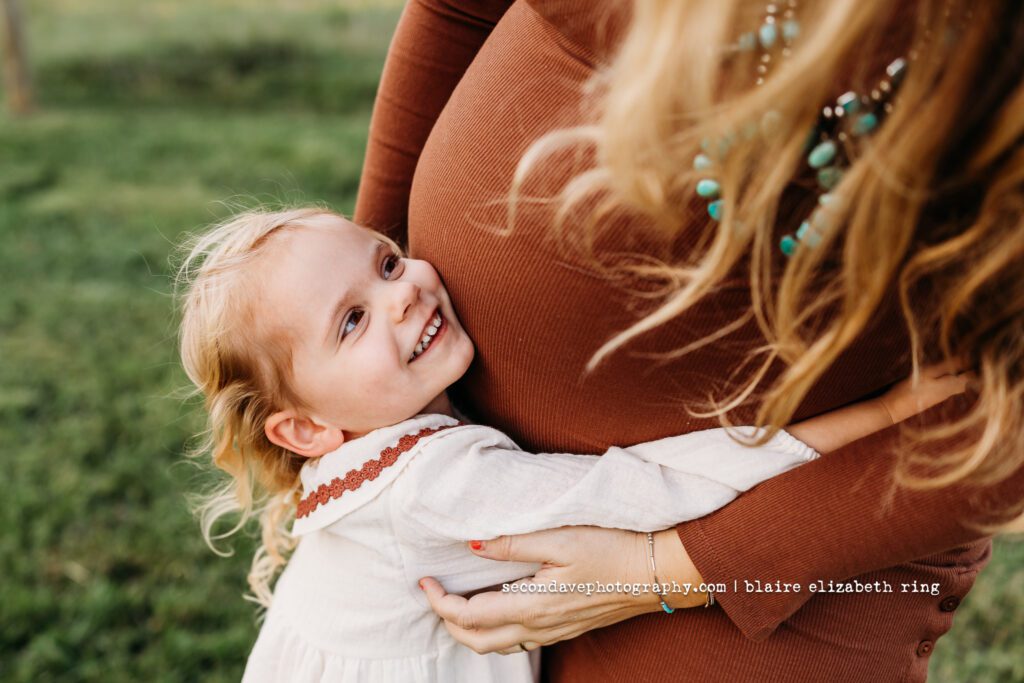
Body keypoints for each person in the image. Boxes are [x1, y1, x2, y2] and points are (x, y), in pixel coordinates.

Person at [353, 0, 1024, 679]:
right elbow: (459, 8)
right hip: (453, 437)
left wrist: (672, 567)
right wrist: (361, 297)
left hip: (788, 519)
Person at [176, 208, 963, 682]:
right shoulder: (435, 485)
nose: (404, 289)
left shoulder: (355, 464)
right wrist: (881, 413)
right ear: (308, 430)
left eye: (385, 260)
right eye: (351, 320)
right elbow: (658, 489)